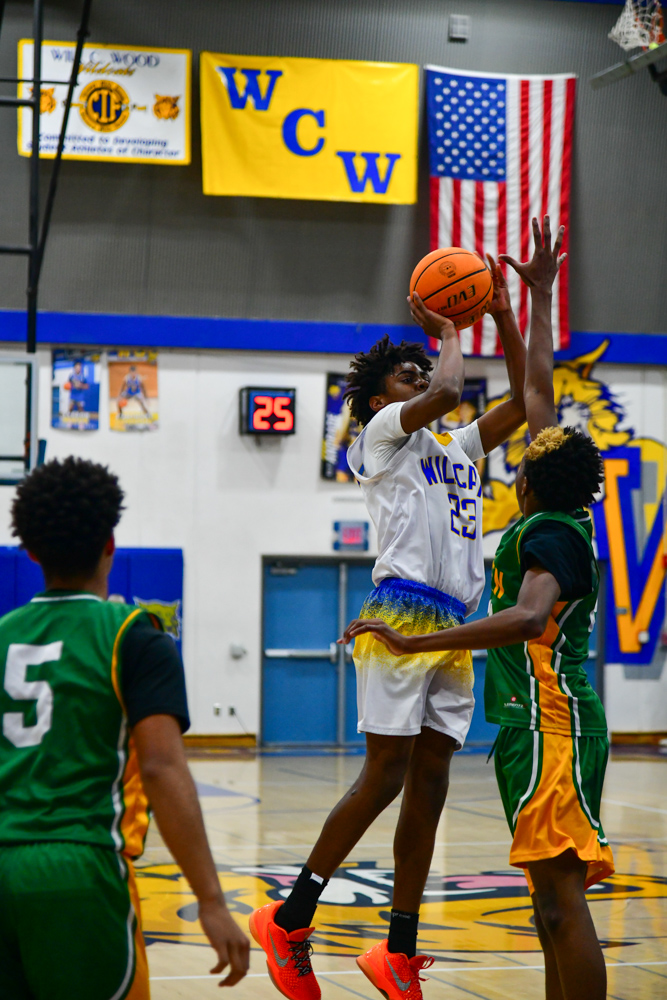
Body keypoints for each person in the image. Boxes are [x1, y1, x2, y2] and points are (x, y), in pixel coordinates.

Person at [344, 218, 613, 1000]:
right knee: (546, 905)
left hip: (550, 720)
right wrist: (522, 304)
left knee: (558, 906)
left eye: (527, 457)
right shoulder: (546, 512)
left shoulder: (550, 532)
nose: (522, 451)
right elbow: (536, 395)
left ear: (527, 480)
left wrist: (415, 644)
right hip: (529, 719)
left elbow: (526, 620)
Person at [250, 257, 529, 1000]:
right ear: (380, 398)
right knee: (384, 775)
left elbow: (531, 402)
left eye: (422, 369)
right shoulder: (379, 436)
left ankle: (397, 949)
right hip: (401, 611)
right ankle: (289, 919)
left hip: (453, 623)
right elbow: (447, 390)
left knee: (431, 784)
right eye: (407, 375)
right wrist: (449, 329)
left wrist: (505, 314)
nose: (423, 377)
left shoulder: (456, 449)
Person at [0, 457, 249, 1000]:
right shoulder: (135, 635)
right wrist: (210, 899)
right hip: (78, 869)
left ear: (31, 551)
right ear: (110, 543)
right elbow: (161, 768)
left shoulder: (3, 634)